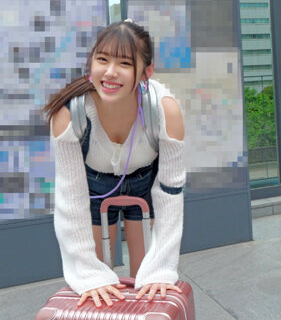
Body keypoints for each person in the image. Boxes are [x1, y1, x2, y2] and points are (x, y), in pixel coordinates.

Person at [43, 20, 186, 309]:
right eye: (102, 59)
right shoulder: (70, 114)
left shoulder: (165, 109)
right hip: (91, 188)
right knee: (99, 289)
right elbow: (70, 201)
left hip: (145, 184)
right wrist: (88, 274)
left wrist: (161, 268)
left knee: (148, 285)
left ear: (146, 72)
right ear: (91, 62)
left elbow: (171, 193)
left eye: (124, 63)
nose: (110, 72)